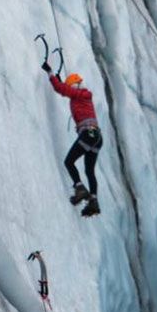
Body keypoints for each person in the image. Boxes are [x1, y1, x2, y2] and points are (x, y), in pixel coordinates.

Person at [43, 64, 104, 216]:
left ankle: (80, 188)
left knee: (68, 162)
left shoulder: (80, 93)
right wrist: (61, 82)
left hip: (88, 134)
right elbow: (66, 89)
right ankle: (93, 201)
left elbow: (62, 90)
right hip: (97, 137)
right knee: (89, 170)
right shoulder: (83, 95)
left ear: (75, 85)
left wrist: (50, 73)